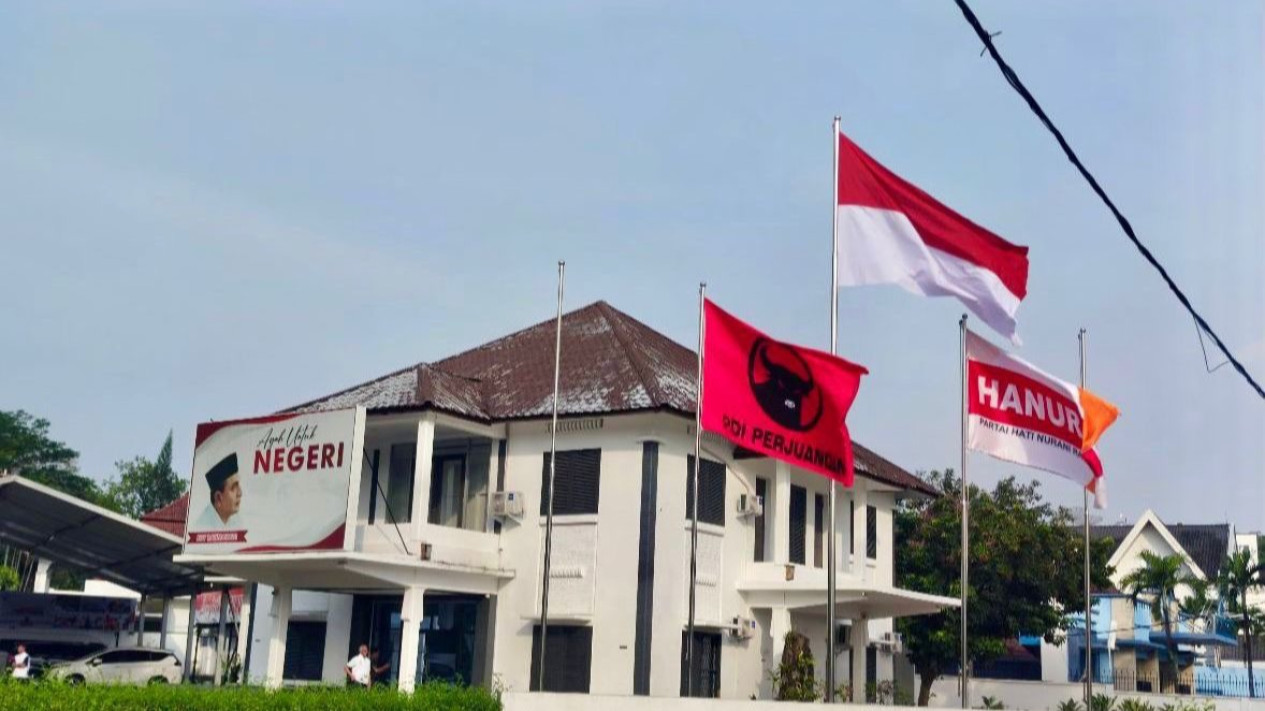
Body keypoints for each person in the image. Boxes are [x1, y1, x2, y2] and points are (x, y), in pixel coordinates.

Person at [193, 453, 243, 532]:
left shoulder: (236, 521)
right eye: (234, 487)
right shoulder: (202, 527)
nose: (240, 493)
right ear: (218, 498)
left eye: (238, 485)